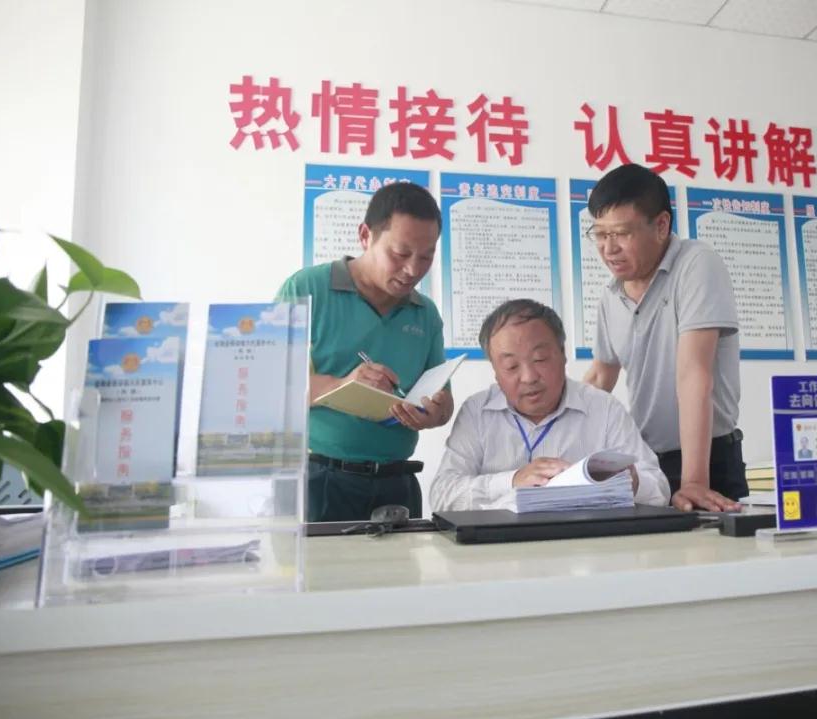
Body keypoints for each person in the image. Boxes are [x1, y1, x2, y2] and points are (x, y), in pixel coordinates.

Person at [277, 182, 454, 521]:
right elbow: (271, 386)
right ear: (365, 236)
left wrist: (436, 413)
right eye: (400, 254)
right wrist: (344, 385)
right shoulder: (306, 289)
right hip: (320, 479)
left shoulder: (426, 313)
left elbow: (443, 401)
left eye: (426, 256)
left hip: (398, 482)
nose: (413, 270)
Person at [582, 164, 746, 512]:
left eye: (621, 234)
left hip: (708, 462)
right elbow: (599, 377)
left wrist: (695, 482)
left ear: (660, 225)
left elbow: (694, 374)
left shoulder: (696, 264)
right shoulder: (610, 294)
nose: (608, 249)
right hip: (648, 462)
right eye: (600, 234)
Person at [431, 299, 669, 512]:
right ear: (495, 372)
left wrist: (633, 482)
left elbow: (659, 488)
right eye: (511, 367)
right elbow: (441, 496)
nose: (529, 377)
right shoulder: (477, 412)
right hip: (501, 544)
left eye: (540, 359)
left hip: (585, 542)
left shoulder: (603, 408)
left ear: (563, 354)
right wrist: (512, 480)